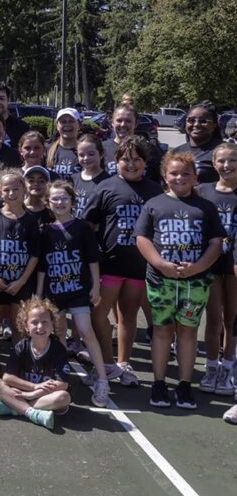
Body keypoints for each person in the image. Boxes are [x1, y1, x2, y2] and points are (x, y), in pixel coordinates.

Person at [136, 151, 223, 409]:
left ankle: (184, 384)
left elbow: (215, 242)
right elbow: (142, 239)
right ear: (165, 176)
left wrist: (198, 267)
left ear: (195, 177)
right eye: (174, 173)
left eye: (186, 173)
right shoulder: (154, 204)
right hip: (160, 281)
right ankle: (159, 383)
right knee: (162, 330)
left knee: (187, 331)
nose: (179, 178)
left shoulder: (206, 207)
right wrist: (161, 264)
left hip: (195, 283)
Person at [82, 136, 164, 385]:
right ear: (116, 161)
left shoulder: (155, 190)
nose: (131, 164)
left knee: (128, 316)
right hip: (109, 265)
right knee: (99, 315)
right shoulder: (105, 187)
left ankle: (122, 363)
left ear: (145, 163)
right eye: (125, 159)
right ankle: (105, 363)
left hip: (139, 267)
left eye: (137, 160)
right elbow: (88, 225)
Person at [37, 180, 109, 407]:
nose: (59, 202)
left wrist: (95, 287)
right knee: (58, 333)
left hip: (78, 290)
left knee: (86, 331)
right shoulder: (45, 230)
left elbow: (92, 259)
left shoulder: (82, 228)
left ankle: (102, 379)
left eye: (64, 198)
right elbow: (41, 266)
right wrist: (38, 294)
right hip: (54, 291)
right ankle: (61, 376)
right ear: (47, 202)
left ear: (72, 201)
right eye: (55, 199)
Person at [0, 296, 72, 429]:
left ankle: (15, 408)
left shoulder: (58, 348)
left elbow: (62, 384)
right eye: (34, 322)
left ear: (52, 324)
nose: (40, 326)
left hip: (43, 396)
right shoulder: (21, 346)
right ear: (26, 327)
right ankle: (33, 413)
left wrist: (34, 394)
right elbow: (8, 377)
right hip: (23, 392)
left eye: (45, 322)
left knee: (64, 397)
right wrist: (34, 387)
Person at [0, 169, 40, 342]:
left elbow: (35, 255)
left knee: (18, 324)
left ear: (24, 190)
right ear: (0, 192)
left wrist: (21, 281)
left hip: (21, 283)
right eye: (6, 190)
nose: (11, 193)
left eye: (16, 189)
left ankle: (19, 357)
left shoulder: (31, 221)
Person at [198, 143, 237, 396]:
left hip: (234, 266)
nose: (226, 165)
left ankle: (227, 368)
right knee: (213, 318)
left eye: (232, 160)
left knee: (231, 319)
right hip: (210, 264)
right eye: (221, 160)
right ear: (214, 164)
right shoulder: (203, 191)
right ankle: (211, 366)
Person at [174, 100, 222, 184]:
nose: (196, 124)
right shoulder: (176, 152)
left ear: (214, 126)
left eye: (203, 121)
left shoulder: (224, 152)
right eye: (191, 120)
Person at [72, 134, 110, 219]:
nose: (86, 158)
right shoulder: (73, 179)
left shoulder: (108, 181)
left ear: (101, 154)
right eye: (81, 155)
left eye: (91, 154)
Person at [46, 108, 82, 181]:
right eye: (63, 122)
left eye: (71, 121)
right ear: (57, 126)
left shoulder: (86, 151)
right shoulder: (47, 150)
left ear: (79, 125)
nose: (67, 124)